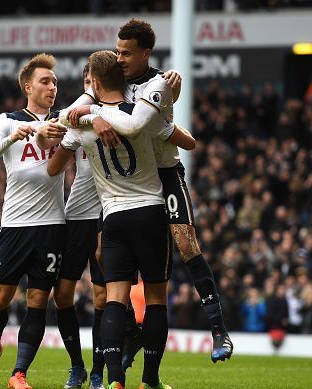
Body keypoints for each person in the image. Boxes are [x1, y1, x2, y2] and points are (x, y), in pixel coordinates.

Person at [67, 19, 233, 364]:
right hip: (128, 180)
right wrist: (91, 115)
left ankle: (219, 330)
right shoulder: (113, 82)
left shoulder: (159, 83)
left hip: (164, 172)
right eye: (117, 51)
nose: (120, 57)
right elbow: (73, 110)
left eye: (126, 52)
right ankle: (131, 329)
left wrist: (95, 113)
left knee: (185, 243)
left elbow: (165, 130)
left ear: (146, 53)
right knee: (101, 254)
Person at [47, 50, 194, 389]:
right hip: (150, 212)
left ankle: (115, 379)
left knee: (114, 298)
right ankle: (150, 379)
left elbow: (55, 168)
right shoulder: (143, 114)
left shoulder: (82, 124)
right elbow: (185, 141)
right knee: (156, 298)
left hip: (112, 218)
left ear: (94, 84)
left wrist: (82, 120)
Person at [0, 53, 69, 389]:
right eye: (45, 81)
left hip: (52, 225)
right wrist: (15, 137)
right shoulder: (8, 120)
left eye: (55, 82)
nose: (52, 87)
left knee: (38, 300)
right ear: (28, 86)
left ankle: (20, 372)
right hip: (15, 224)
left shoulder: (63, 120)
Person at [49, 64, 106, 389]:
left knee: (102, 296)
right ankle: (76, 366)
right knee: (64, 294)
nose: (90, 87)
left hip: (110, 210)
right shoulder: (77, 114)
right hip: (78, 212)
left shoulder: (118, 113)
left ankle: (98, 371)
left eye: (94, 82)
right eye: (86, 82)